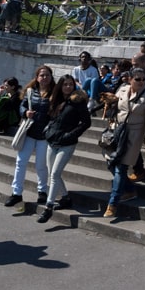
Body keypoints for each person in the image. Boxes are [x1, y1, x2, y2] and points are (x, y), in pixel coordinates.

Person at [103, 68, 145, 219]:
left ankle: (112, 204)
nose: (141, 82)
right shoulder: (122, 89)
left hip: (134, 134)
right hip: (116, 131)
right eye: (137, 79)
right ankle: (129, 189)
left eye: (143, 79)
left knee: (121, 167)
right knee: (110, 162)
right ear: (130, 79)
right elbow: (116, 107)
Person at [38, 75, 92, 223]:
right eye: (65, 84)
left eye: (70, 84)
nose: (68, 87)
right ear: (60, 86)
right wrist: (47, 131)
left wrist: (71, 135)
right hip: (52, 141)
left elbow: (86, 122)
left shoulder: (78, 102)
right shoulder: (56, 100)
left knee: (55, 174)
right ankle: (66, 198)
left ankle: (48, 208)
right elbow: (52, 118)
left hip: (67, 143)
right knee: (52, 173)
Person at [4, 67, 55, 211]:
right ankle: (16, 193)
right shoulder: (30, 91)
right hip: (29, 132)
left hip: (44, 135)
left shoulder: (55, 94)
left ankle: (42, 191)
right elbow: (22, 106)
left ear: (51, 77)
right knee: (21, 162)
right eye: (41, 75)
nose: (44, 78)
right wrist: (25, 112)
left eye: (47, 75)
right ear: (37, 77)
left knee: (41, 165)